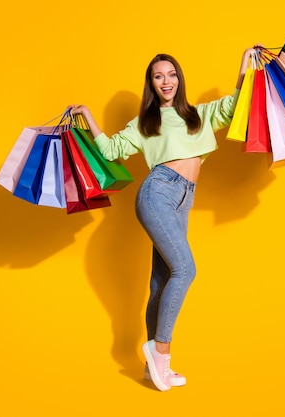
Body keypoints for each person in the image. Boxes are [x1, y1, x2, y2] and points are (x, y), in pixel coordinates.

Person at [70, 46, 255, 391]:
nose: (165, 81)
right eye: (158, 76)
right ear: (151, 84)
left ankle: (152, 368)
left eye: (171, 74)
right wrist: (87, 115)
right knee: (185, 270)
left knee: (162, 280)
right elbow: (111, 150)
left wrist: (244, 63)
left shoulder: (199, 116)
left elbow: (234, 106)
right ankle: (160, 351)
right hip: (157, 192)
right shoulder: (145, 123)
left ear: (179, 79)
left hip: (184, 199)